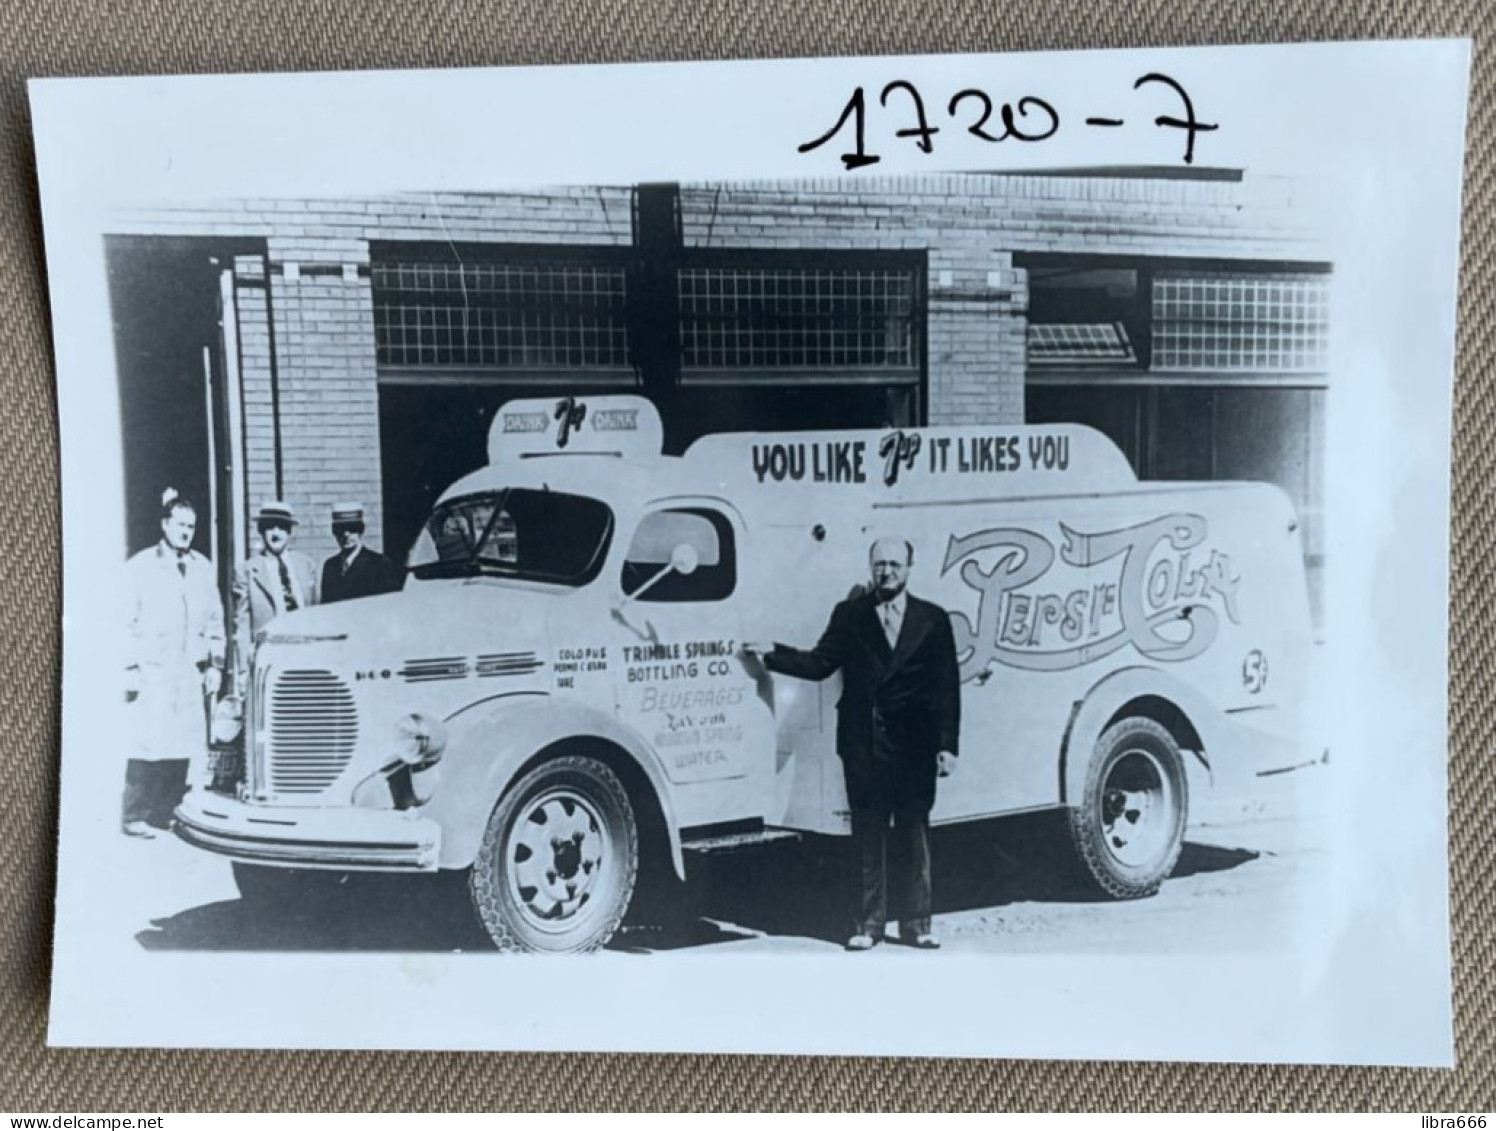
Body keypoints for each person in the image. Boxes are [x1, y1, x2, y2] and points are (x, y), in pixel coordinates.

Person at [745, 537, 960, 951]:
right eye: (880, 564)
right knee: (868, 835)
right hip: (864, 743)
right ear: (870, 567)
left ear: (910, 567)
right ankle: (868, 925)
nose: (887, 572)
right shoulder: (850, 615)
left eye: (895, 564)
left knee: (915, 834)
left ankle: (917, 924)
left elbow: (946, 687)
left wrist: (948, 745)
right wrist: (773, 654)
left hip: (915, 745)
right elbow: (820, 663)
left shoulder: (932, 619)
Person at [121, 489, 226, 838]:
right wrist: (130, 667)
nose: (186, 532)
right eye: (180, 524)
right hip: (153, 670)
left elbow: (215, 620)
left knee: (181, 744)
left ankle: (166, 810)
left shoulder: (202, 567)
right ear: (165, 524)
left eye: (191, 526)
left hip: (187, 670)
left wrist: (215, 665)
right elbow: (124, 621)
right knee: (147, 745)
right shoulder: (140, 566)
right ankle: (135, 813)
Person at [232, 500, 318, 692]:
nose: (276, 532)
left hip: (306, 655)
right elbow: (242, 624)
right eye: (270, 526)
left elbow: (316, 610)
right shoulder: (247, 570)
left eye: (281, 527)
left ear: (289, 532)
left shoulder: (306, 565)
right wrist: (244, 670)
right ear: (262, 531)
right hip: (270, 658)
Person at [319, 501, 403, 603]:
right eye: (340, 529)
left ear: (361, 530)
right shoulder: (330, 566)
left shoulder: (379, 564)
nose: (346, 534)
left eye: (352, 528)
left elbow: (388, 604)